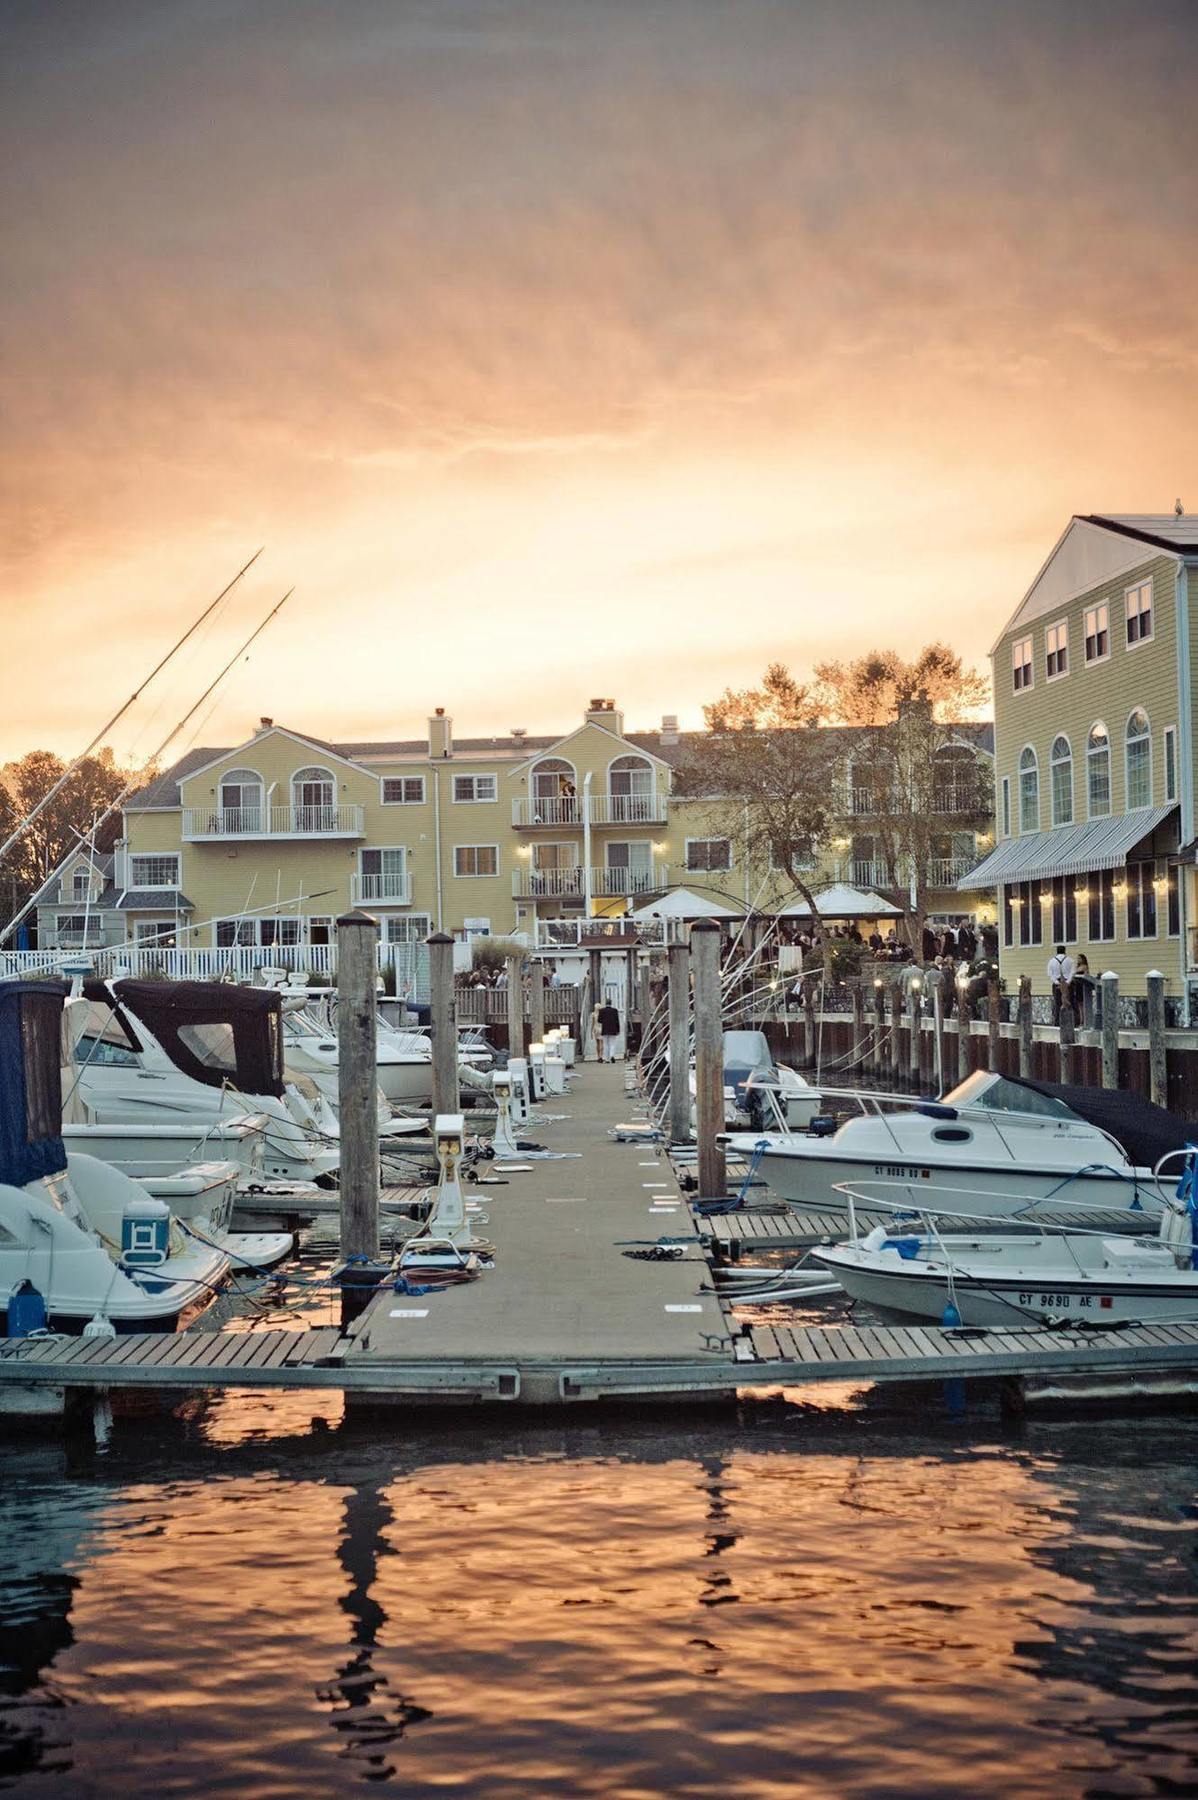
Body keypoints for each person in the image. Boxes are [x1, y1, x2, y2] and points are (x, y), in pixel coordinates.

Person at [1046, 944, 1075, 1024]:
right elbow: (1072, 972)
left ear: (1057, 951)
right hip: (1068, 983)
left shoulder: (1051, 961)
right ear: (1064, 951)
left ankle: (1058, 1021)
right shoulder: (1070, 960)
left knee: (1057, 1002)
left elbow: (1050, 974)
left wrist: (1057, 982)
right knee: (1069, 1001)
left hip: (1057, 984)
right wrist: (1068, 982)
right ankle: (1070, 1021)